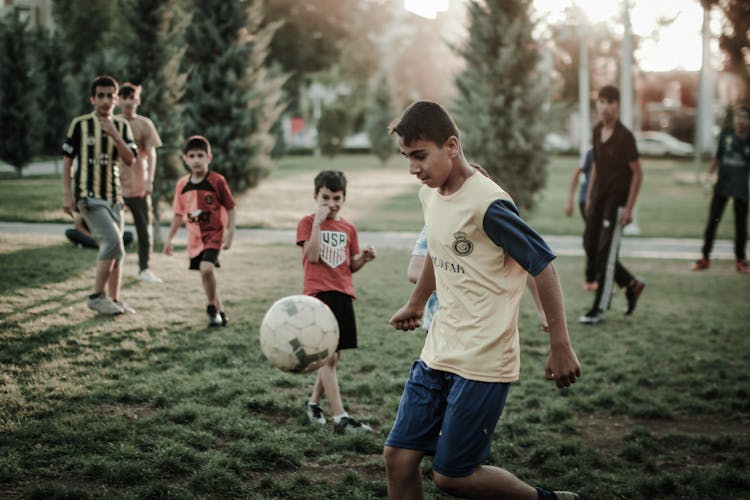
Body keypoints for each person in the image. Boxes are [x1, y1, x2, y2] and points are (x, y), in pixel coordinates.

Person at [385, 100, 581, 500]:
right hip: (438, 349)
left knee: (452, 475)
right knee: (398, 457)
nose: (413, 169)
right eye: (407, 158)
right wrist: (417, 302)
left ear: (452, 145)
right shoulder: (431, 195)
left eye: (420, 156)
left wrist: (560, 346)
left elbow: (543, 266)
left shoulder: (489, 204)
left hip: (484, 357)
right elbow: (439, 254)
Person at [297, 170, 377, 434]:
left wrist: (363, 260)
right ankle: (340, 418)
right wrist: (319, 223)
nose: (331, 203)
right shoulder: (308, 222)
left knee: (334, 356)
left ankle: (313, 404)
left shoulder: (349, 228)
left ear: (344, 198)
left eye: (337, 198)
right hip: (318, 295)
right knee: (328, 357)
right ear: (315, 196)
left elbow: (347, 266)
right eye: (325, 197)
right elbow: (313, 256)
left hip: (343, 293)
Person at [62, 75, 137, 316]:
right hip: (88, 195)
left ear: (116, 99)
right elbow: (67, 161)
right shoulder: (80, 124)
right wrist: (66, 194)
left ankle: (114, 299)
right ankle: (96, 296)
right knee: (113, 243)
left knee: (118, 252)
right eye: (100, 96)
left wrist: (114, 134)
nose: (105, 101)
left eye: (109, 96)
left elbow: (130, 159)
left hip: (114, 197)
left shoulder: (122, 126)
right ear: (93, 99)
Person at [579, 85, 645, 324]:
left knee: (605, 255)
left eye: (610, 102)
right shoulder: (597, 131)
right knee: (589, 245)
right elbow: (595, 164)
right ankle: (630, 283)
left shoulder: (625, 137)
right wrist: (588, 196)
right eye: (602, 102)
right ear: (597, 104)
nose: (605, 107)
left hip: (616, 203)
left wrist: (629, 208)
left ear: (618, 106)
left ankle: (599, 309)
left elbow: (637, 173)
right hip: (597, 199)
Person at [164, 135, 236, 327]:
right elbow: (178, 214)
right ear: (185, 159)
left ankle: (211, 306)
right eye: (192, 156)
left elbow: (230, 207)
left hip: (214, 234)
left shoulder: (217, 181)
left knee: (207, 268)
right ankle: (219, 312)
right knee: (206, 274)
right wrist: (170, 239)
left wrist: (230, 233)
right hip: (195, 238)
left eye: (200, 155)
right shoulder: (182, 185)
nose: (196, 160)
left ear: (208, 157)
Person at [691, 105, 750, 273]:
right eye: (739, 117)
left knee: (741, 226)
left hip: (741, 190)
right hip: (722, 186)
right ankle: (704, 258)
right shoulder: (726, 135)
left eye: (745, 118)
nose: (741, 121)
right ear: (734, 119)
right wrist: (708, 179)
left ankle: (741, 260)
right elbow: (717, 158)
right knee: (712, 223)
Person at [116, 83, 164, 283]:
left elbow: (152, 154)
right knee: (114, 230)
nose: (128, 101)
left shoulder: (145, 124)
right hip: (115, 186)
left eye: (131, 97)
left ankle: (144, 268)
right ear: (118, 100)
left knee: (144, 228)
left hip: (138, 185)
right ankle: (112, 268)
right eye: (124, 97)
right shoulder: (112, 123)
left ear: (138, 100)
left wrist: (149, 180)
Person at [564, 147, 596, 290]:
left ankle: (594, 279)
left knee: (594, 241)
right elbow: (576, 174)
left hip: (601, 203)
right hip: (586, 202)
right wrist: (570, 200)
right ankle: (592, 279)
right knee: (591, 240)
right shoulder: (590, 153)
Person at [65, 212, 133, 249]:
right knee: (70, 232)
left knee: (128, 235)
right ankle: (105, 245)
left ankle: (102, 245)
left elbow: (115, 226)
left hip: (106, 237)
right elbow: (78, 227)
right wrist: (93, 237)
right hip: (89, 236)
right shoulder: (83, 206)